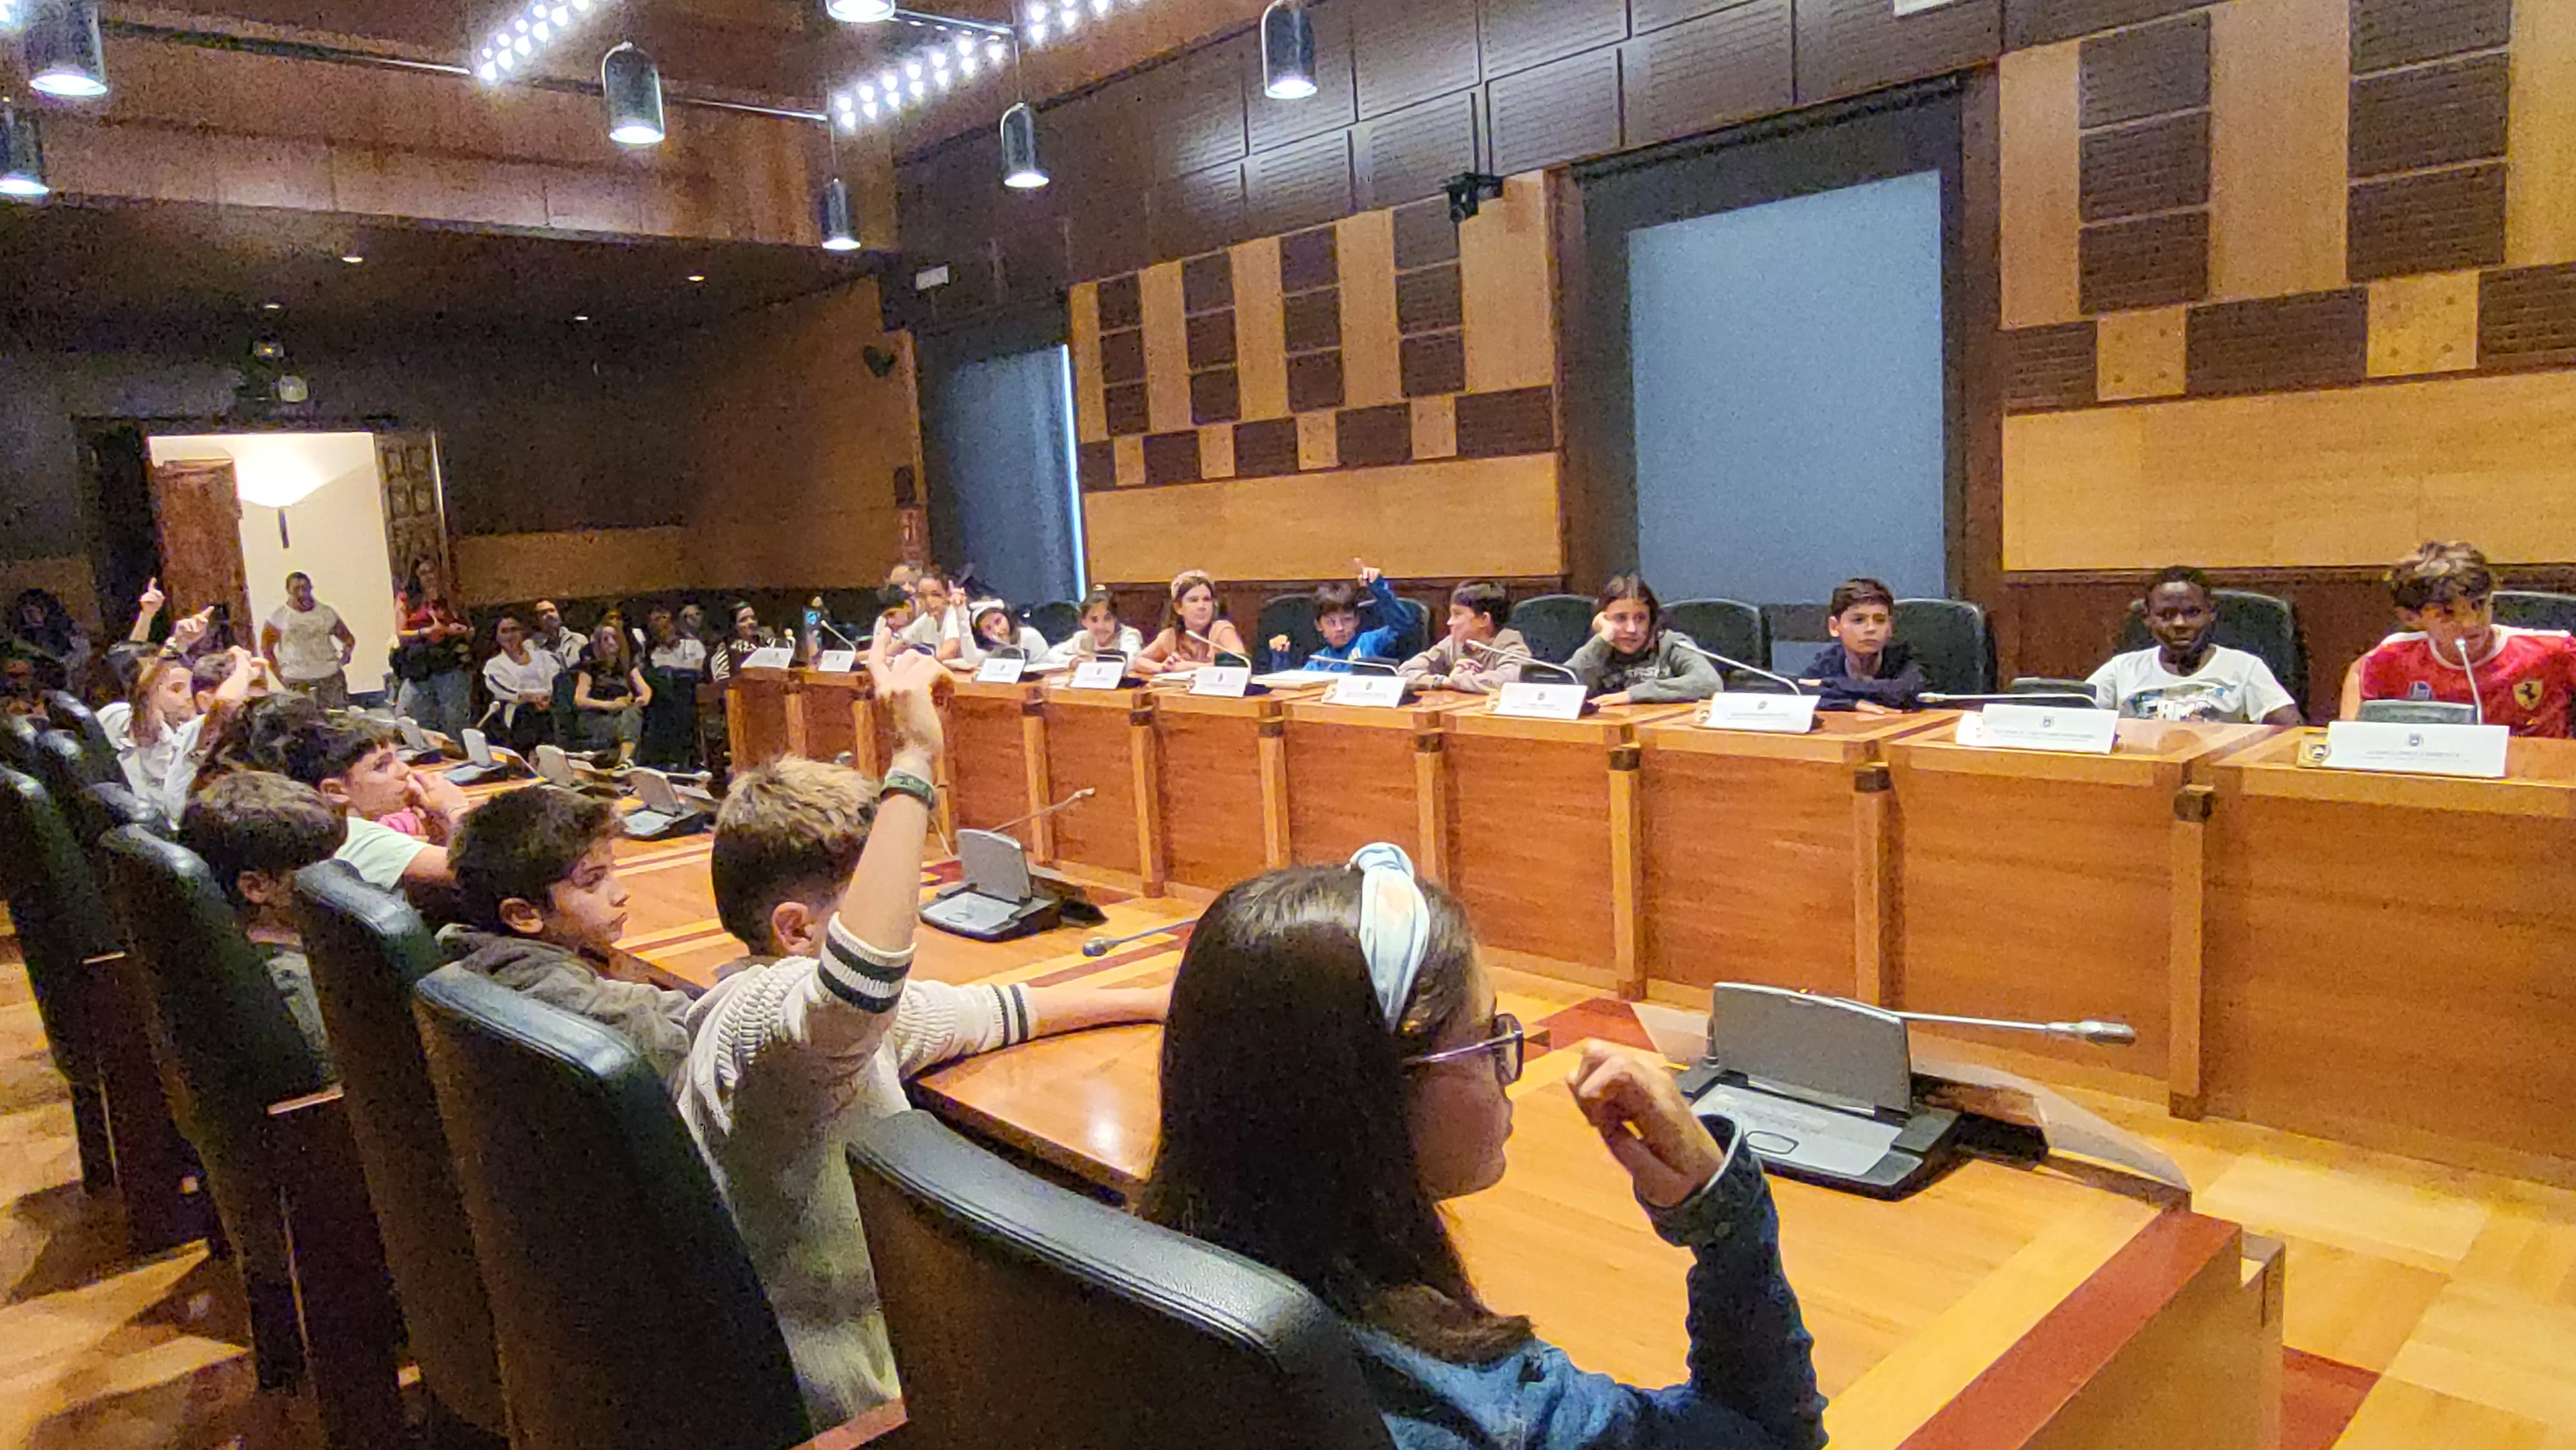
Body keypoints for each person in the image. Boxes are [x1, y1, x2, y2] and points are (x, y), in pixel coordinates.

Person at [1141, 849, 1825, 1450]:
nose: (1510, 1062)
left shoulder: (1135, 1283)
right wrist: (1724, 1215)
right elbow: (1766, 1434)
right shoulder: (1503, 1415)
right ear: (1376, 1091)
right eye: (1488, 1036)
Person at [681, 672, 1170, 1423]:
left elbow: (990, 1010)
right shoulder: (764, 1016)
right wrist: (913, 755)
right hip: (858, 1396)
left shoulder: (808, 1024)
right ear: (793, 928)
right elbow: (863, 982)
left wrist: (1153, 1001)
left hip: (875, 1349)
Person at [438, 785, 690, 1084]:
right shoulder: (585, 1011)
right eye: (593, 881)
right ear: (523, 915)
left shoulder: (467, 951)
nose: (621, 893)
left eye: (612, 871)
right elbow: (687, 1058)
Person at [180, 772, 345, 1073]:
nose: (336, 880)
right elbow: (333, 1093)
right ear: (256, 887)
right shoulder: (295, 986)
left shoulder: (227, 945)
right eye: (319, 869)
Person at [2348, 541, 2576, 735]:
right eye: (2447, 613)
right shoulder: (2393, 658)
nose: (2471, 623)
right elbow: (2360, 672)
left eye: (2479, 605)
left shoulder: (2552, 652)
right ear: (2411, 617)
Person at [2086, 568, 2300, 726]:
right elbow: (2074, 716)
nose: (2180, 624)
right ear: (2147, 619)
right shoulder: (2121, 669)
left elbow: (2291, 729)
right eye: (2166, 615)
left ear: (2211, 614)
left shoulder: (2244, 668)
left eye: (2192, 613)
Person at [281, 717, 468, 894]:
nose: (404, 770)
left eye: (397, 758)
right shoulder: (359, 838)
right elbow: (484, 868)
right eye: (381, 766)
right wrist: (456, 809)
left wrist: (438, 828)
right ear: (335, 791)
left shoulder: (322, 827)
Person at [121, 645, 259, 824]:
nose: (187, 696)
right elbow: (226, 703)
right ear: (205, 700)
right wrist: (242, 668)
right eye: (244, 692)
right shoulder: (194, 733)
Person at [1566, 575, 1722, 706]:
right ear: (1602, 620)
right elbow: (1561, 688)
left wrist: (1633, 695)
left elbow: (1710, 683)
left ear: (1652, 621)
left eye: (1641, 619)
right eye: (1620, 618)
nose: (1631, 629)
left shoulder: (1671, 644)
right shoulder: (1598, 649)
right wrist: (1603, 638)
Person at [1803, 578, 1926, 713]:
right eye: (1859, 620)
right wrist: (1850, 704)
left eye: (1880, 620)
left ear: (1889, 627)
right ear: (1834, 627)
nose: (1871, 629)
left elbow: (1902, 692)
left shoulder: (1906, 658)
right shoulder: (1829, 660)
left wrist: (1829, 685)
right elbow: (1791, 691)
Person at [1267, 562, 1408, 672]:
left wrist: (1379, 588)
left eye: (1347, 620)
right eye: (1331, 622)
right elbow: (1289, 689)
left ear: (1356, 620)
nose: (1340, 628)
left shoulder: (1369, 642)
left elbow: (1402, 626)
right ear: (1319, 626)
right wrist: (1280, 657)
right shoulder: (1318, 662)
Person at [394, 558, 475, 744]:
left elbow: (469, 629)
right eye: (423, 573)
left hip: (449, 662)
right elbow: (401, 634)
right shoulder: (407, 600)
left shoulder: (449, 598)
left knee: (453, 718)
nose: (429, 577)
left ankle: (458, 758)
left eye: (432, 571)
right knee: (410, 714)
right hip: (419, 665)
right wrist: (427, 632)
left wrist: (449, 630)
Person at [1399, 582, 1529, 694]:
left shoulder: (1509, 642)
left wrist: (1459, 678)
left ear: (1484, 619)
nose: (1450, 622)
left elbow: (1510, 681)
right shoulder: (1452, 643)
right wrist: (1443, 681)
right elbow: (1406, 672)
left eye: (1457, 615)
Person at [259, 571, 357, 709]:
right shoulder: (279, 618)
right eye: (296, 590)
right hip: (297, 679)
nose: (302, 594)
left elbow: (348, 639)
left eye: (305, 589)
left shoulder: (325, 613)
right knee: (304, 724)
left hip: (329, 678)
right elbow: (267, 650)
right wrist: (281, 677)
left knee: (338, 721)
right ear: (288, 591)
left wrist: (344, 657)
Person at [1133, 570, 1250, 675]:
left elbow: (1240, 663)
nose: (1202, 606)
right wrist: (1163, 668)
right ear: (1179, 608)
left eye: (1207, 600)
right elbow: (1138, 661)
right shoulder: (1171, 636)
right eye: (1193, 600)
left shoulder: (1221, 630)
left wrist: (1190, 667)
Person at [480, 613, 562, 753]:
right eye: (505, 631)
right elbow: (507, 692)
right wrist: (533, 698)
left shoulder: (544, 656)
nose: (511, 635)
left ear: (522, 632)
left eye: (514, 629)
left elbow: (556, 679)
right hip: (519, 715)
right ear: (497, 637)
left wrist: (547, 697)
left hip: (550, 707)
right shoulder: (494, 665)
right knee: (528, 712)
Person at [574, 622, 650, 763]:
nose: (611, 642)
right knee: (631, 724)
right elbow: (580, 699)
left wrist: (643, 699)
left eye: (615, 638)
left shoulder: (626, 665)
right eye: (605, 639)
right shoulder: (590, 667)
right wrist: (611, 705)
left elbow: (645, 689)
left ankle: (623, 759)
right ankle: (625, 761)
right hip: (595, 719)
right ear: (599, 643)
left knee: (632, 714)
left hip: (621, 717)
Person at [10, 587, 90, 693]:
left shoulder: (67, 627)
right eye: (27, 613)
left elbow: (83, 653)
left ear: (45, 611)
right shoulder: (26, 638)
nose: (30, 617)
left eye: (32, 612)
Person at [1043, 588, 1144, 666]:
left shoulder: (1128, 635)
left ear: (1116, 619)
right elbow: (1051, 655)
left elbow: (1130, 660)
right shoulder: (1082, 638)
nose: (1101, 626)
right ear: (1084, 622)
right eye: (1094, 620)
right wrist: (1073, 661)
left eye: (1107, 619)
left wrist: (1093, 662)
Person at [954, 599, 1051, 668]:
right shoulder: (995, 649)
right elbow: (972, 659)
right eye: (988, 628)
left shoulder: (1030, 636)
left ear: (1007, 617)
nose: (997, 630)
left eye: (998, 621)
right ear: (982, 634)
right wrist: (961, 613)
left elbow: (1047, 665)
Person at [897, 571, 968, 661]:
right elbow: (902, 642)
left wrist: (915, 655)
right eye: (922, 596)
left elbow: (947, 654)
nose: (928, 601)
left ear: (948, 595)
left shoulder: (955, 615)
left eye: (936, 595)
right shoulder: (926, 618)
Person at [710, 601, 774, 688]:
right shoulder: (726, 648)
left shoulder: (766, 644)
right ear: (734, 626)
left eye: (753, 618)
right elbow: (722, 681)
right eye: (743, 620)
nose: (751, 622)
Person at [528, 599, 588, 672]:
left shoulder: (578, 639)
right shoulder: (531, 645)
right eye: (544, 613)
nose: (550, 615)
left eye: (552, 611)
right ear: (537, 620)